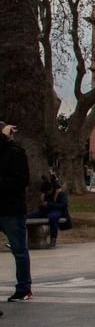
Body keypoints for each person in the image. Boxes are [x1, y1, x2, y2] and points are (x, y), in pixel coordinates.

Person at [0, 122, 31, 303]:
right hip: (8, 207)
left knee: (19, 249)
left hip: (11, 208)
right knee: (19, 249)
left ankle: (24, 287)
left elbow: (21, 180)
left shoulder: (15, 153)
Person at [29, 175, 71, 249]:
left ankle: (53, 238)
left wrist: (49, 204)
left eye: (47, 192)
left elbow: (63, 205)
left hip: (57, 211)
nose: (46, 194)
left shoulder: (60, 193)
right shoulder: (45, 194)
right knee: (29, 217)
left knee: (53, 217)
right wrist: (43, 205)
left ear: (51, 189)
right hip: (46, 210)